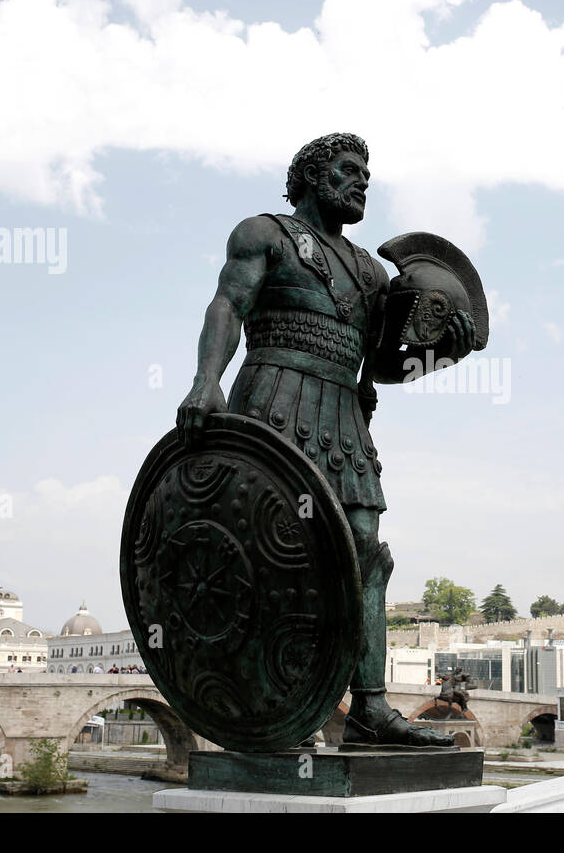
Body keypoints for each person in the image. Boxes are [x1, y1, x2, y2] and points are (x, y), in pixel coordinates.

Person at [177, 133, 477, 746]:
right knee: (269, 550)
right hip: (274, 395)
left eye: (366, 172)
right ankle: (271, 706)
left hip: (342, 413)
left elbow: (388, 362)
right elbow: (227, 305)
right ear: (312, 178)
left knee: (366, 550)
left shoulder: (370, 270)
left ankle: (368, 709)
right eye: (347, 170)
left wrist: (447, 341)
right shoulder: (263, 234)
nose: (361, 180)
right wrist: (206, 382)